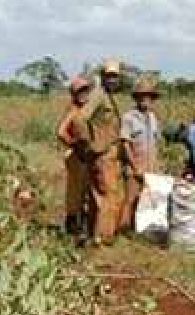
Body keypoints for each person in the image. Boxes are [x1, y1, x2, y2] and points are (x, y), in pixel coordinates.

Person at [70, 59, 126, 246]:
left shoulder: (108, 97)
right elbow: (79, 119)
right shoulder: (99, 96)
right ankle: (102, 239)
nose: (112, 79)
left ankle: (94, 235)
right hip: (103, 154)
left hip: (107, 154)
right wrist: (90, 144)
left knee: (99, 196)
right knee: (110, 196)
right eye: (109, 76)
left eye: (115, 76)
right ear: (102, 77)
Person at [120, 77, 162, 232]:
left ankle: (142, 229)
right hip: (135, 166)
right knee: (130, 199)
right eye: (142, 96)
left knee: (147, 199)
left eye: (148, 96)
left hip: (150, 166)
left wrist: (157, 165)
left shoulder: (153, 117)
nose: (145, 100)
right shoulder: (129, 117)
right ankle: (123, 230)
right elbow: (125, 143)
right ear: (136, 98)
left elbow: (155, 142)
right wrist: (134, 165)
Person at [57, 76, 93, 245]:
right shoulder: (73, 110)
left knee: (85, 189)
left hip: (87, 155)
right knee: (76, 191)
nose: (83, 94)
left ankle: (82, 225)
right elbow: (61, 132)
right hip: (76, 156)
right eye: (80, 91)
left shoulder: (88, 110)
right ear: (74, 94)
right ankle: (74, 225)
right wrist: (73, 144)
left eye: (85, 90)